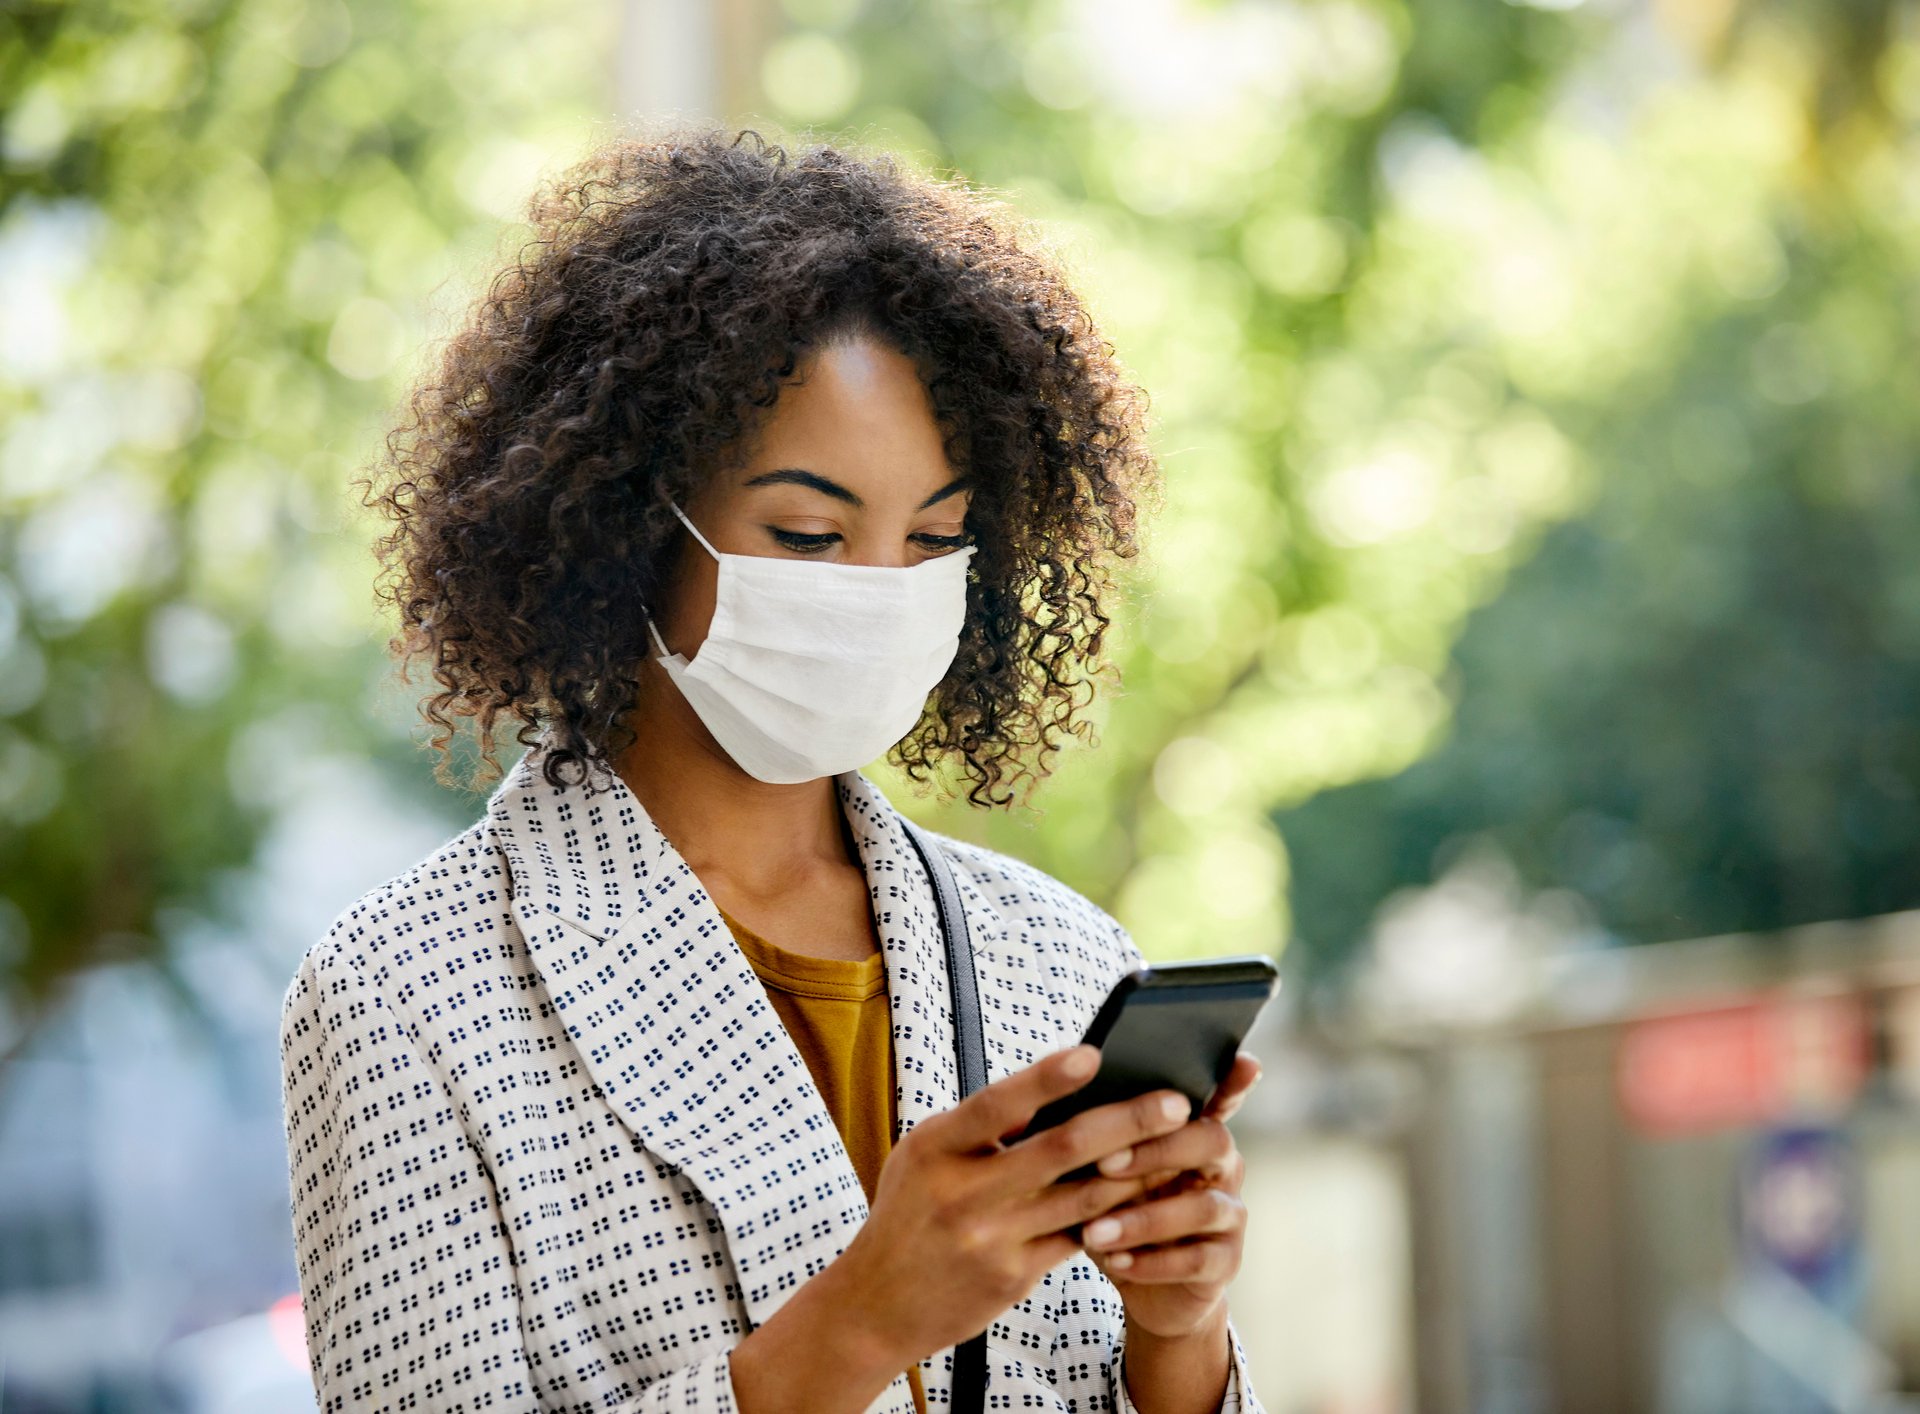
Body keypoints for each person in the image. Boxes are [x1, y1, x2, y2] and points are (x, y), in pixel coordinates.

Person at [277, 127, 1267, 1414]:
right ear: (631, 524)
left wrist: (1178, 1341)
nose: (881, 594)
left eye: (936, 539)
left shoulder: (1058, 958)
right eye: (808, 532)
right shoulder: (402, 1000)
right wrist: (850, 1331)